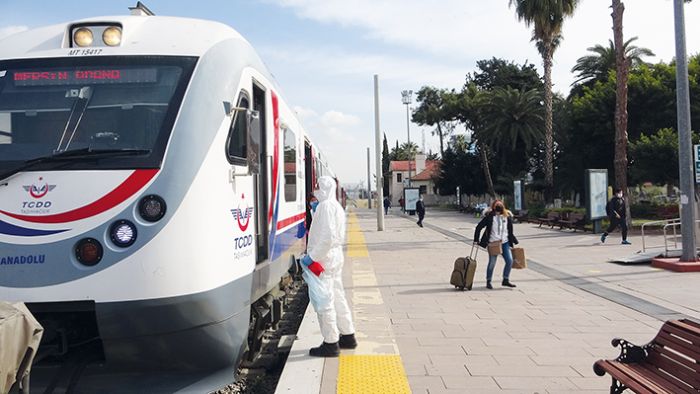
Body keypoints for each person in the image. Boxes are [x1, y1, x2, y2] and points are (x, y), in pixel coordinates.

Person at [301, 176, 356, 357]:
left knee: (324, 301)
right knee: (338, 296)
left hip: (323, 259)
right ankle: (347, 336)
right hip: (334, 257)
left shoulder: (325, 206)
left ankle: (330, 343)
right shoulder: (335, 206)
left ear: (324, 188)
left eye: (318, 186)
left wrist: (311, 257)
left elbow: (327, 238)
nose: (315, 190)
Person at [473, 200, 518, 289]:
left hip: (504, 242)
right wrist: (476, 239)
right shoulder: (489, 217)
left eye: (500, 205)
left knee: (509, 261)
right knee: (492, 263)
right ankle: (488, 281)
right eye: (497, 206)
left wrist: (513, 241)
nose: (499, 207)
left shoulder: (506, 217)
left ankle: (505, 279)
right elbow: (479, 227)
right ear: (493, 207)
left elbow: (509, 230)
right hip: (493, 242)